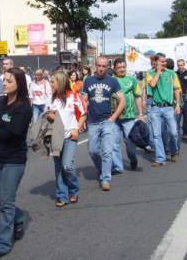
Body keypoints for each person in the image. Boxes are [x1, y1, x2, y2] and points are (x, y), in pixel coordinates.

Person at [0, 68, 32, 259]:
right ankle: (19, 218)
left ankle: (2, 243)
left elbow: (13, 133)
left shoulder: (24, 107)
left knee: (7, 203)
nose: (4, 83)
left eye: (9, 81)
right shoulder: (1, 101)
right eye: (4, 80)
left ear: (19, 84)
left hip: (13, 160)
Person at [82, 57, 125, 191]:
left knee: (107, 151)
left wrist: (114, 117)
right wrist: (82, 118)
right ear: (95, 66)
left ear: (107, 67)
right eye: (99, 65)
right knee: (93, 150)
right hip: (93, 122)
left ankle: (106, 179)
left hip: (107, 121)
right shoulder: (88, 81)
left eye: (104, 66)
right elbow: (84, 100)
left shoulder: (112, 81)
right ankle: (101, 169)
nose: (101, 68)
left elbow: (122, 101)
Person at [47, 71, 86, 207]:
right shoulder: (51, 98)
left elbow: (83, 114)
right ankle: (62, 196)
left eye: (52, 81)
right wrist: (49, 116)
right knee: (58, 167)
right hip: (55, 138)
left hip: (70, 136)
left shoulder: (74, 96)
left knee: (67, 165)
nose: (50, 84)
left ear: (61, 82)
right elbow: (49, 114)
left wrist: (77, 128)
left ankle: (74, 189)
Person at [146, 53, 181, 167]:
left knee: (173, 132)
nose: (164, 63)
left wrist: (177, 104)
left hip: (169, 107)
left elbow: (176, 89)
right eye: (161, 61)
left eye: (165, 61)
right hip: (156, 108)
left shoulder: (172, 74)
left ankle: (174, 151)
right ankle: (160, 158)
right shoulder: (150, 74)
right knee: (157, 134)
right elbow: (152, 84)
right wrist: (158, 72)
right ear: (156, 62)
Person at [112, 59, 143, 172]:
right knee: (114, 143)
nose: (122, 69)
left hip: (129, 117)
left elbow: (138, 96)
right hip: (114, 117)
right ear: (115, 68)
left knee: (130, 143)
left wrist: (140, 114)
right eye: (119, 67)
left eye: (123, 66)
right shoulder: (111, 80)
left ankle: (133, 158)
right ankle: (117, 167)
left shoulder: (131, 80)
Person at [176, 59, 187, 137]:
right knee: (177, 116)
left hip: (186, 97)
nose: (180, 67)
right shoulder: (175, 74)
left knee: (186, 116)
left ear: (184, 65)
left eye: (181, 65)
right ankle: (177, 131)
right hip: (177, 97)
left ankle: (185, 131)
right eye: (178, 65)